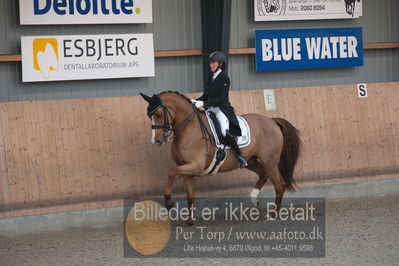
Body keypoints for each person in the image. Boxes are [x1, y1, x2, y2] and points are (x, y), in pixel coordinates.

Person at [191, 51, 248, 168]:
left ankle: (240, 156)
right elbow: (206, 95)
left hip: (221, 109)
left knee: (223, 131)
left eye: (213, 63)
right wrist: (195, 101)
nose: (211, 65)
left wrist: (203, 103)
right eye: (210, 63)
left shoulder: (224, 78)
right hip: (210, 109)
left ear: (220, 64)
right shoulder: (210, 77)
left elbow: (221, 98)